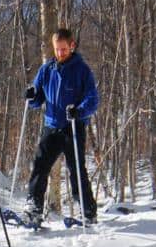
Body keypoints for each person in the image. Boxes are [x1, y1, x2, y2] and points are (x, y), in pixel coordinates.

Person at [21, 27, 99, 226]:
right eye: (57, 49)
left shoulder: (82, 70)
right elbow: (37, 97)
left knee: (76, 169)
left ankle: (87, 211)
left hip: (73, 126)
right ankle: (35, 208)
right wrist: (31, 96)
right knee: (40, 165)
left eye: (64, 49)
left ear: (72, 46)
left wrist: (79, 111)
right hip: (52, 126)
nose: (60, 53)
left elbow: (92, 99)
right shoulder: (47, 69)